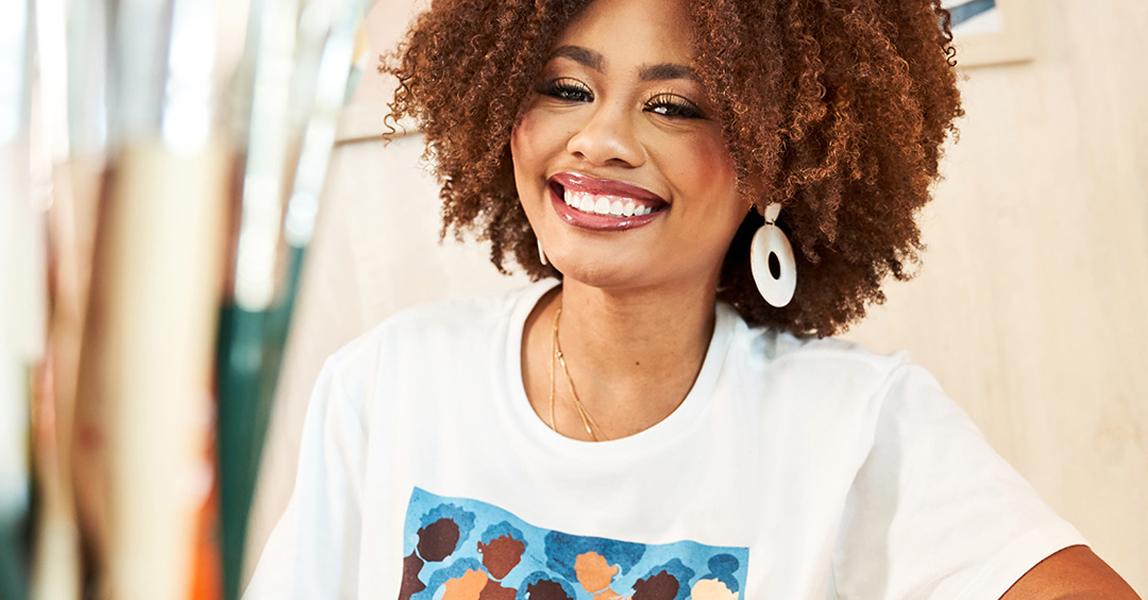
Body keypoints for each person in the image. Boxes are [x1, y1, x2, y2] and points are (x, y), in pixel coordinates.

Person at [244, 0, 1140, 597]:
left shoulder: (856, 426)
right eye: (566, 88)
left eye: (673, 106)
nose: (600, 139)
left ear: (777, 155)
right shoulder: (390, 383)